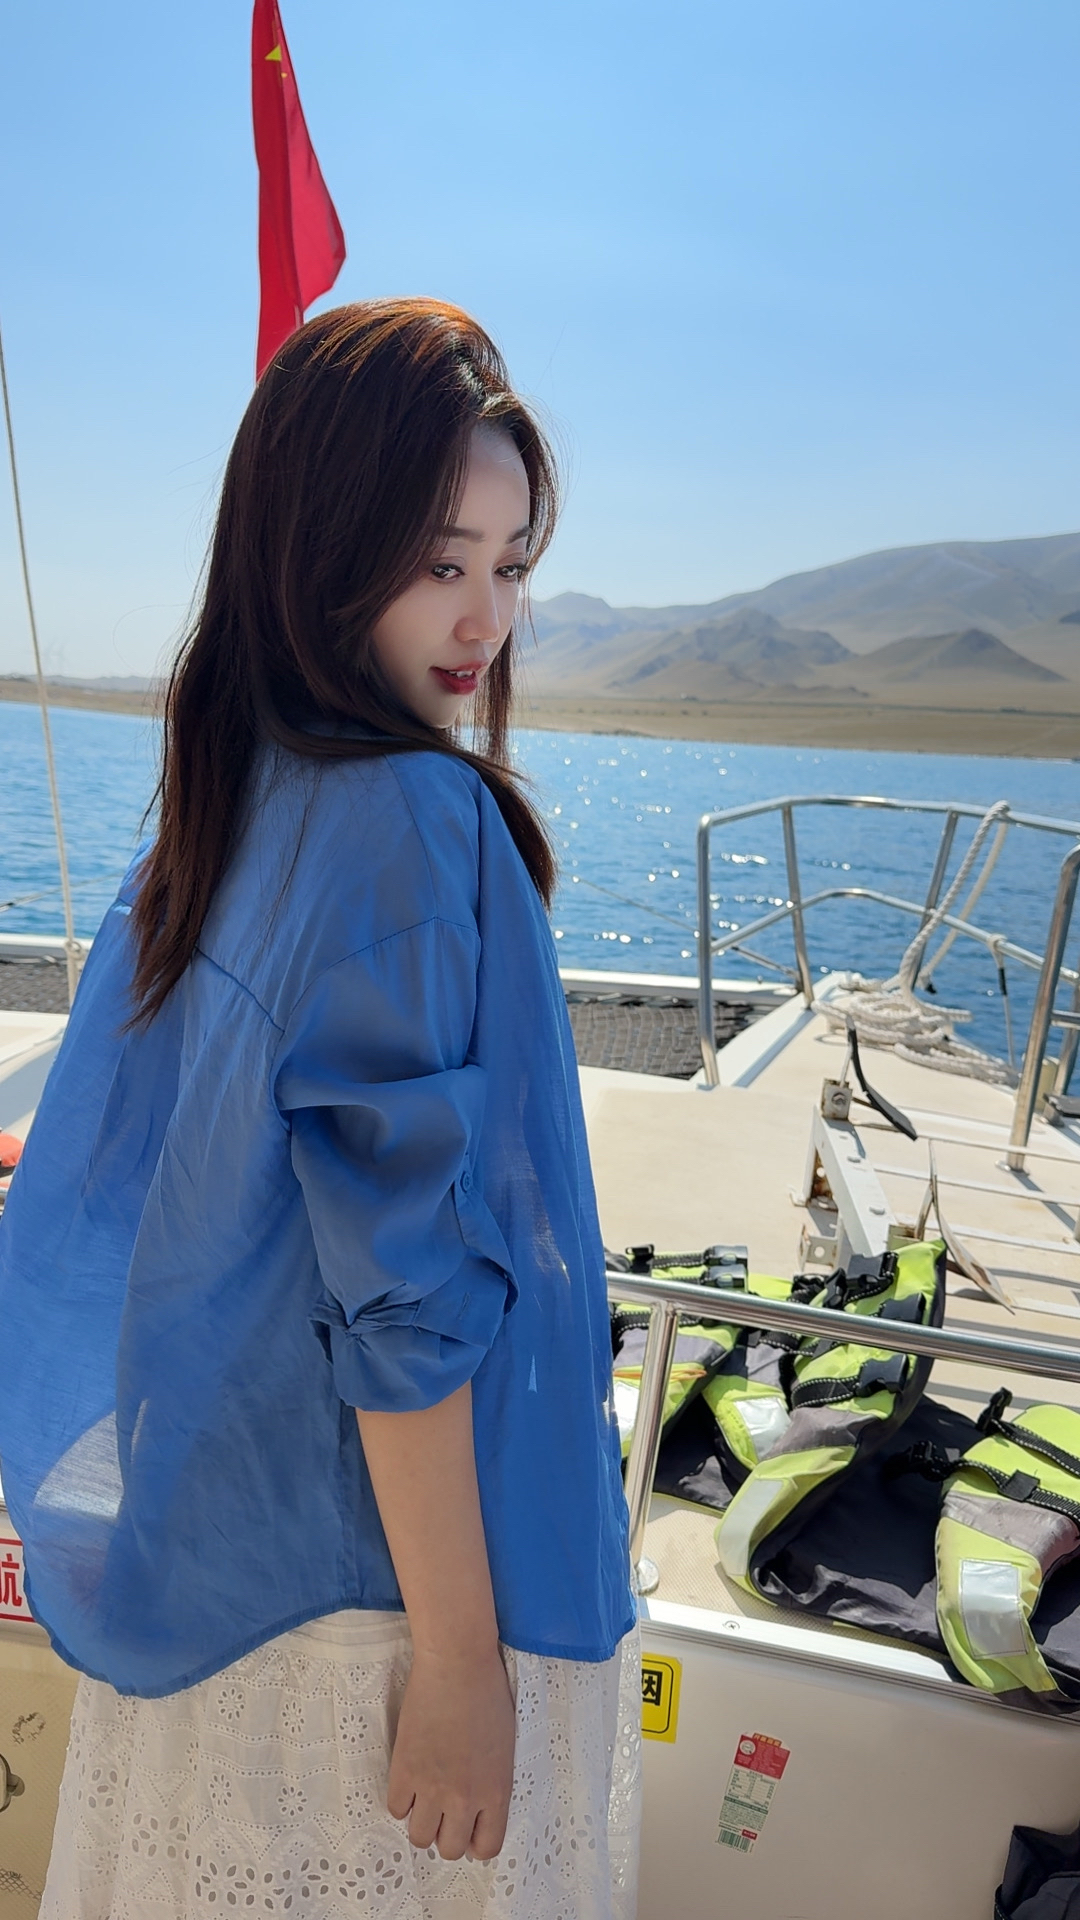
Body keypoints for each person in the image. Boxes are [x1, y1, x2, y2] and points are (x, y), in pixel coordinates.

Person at [0, 299, 640, 1919]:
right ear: (318, 549)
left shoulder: (227, 800)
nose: (484, 617)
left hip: (217, 1564)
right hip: (377, 1614)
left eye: (510, 564)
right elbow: (403, 1309)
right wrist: (463, 1666)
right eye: (439, 561)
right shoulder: (412, 820)